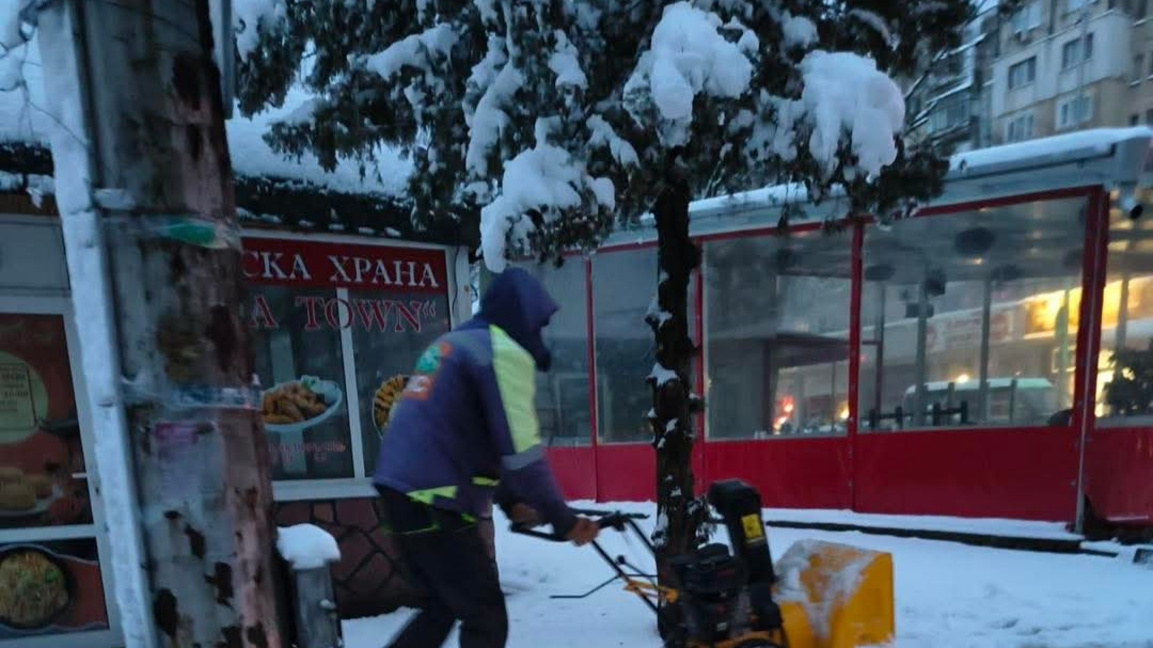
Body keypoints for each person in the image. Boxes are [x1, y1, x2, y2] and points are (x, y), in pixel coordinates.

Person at [373, 267, 600, 648]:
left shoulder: (452, 343)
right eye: (538, 324)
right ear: (523, 315)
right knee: (485, 615)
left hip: (399, 492)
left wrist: (511, 501)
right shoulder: (500, 351)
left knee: (441, 608)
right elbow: (522, 451)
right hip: (434, 500)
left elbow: (474, 434)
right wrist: (563, 520)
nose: (538, 335)